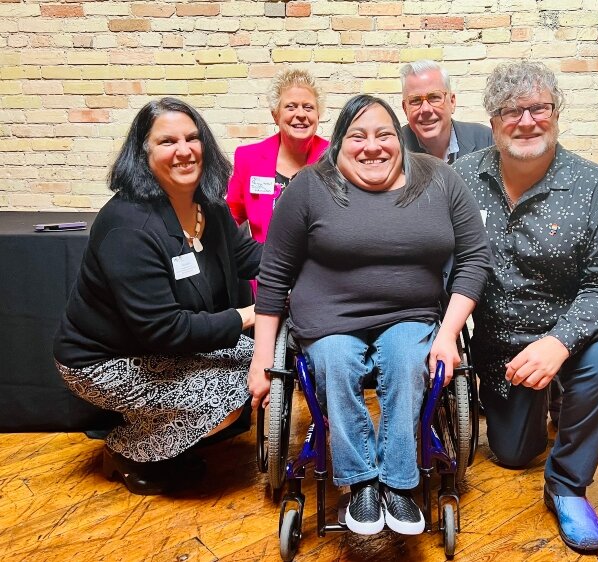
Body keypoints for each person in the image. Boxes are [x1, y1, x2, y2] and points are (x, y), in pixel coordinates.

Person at [248, 95, 491, 536]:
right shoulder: (308, 186)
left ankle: (398, 483)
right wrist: (261, 361)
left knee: (403, 361)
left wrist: (448, 334)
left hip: (412, 315)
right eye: (357, 136)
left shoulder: (439, 179)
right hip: (329, 320)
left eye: (383, 135)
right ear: (339, 143)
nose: (372, 147)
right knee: (337, 362)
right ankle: (360, 482)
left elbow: (475, 257)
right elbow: (274, 274)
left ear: (399, 139)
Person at [453, 61, 598, 553]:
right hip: (500, 343)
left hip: (576, 330)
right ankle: (543, 408)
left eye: (539, 108)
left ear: (556, 113)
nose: (527, 120)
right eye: (512, 110)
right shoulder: (460, 180)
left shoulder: (597, 187)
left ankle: (569, 485)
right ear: (492, 121)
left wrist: (557, 343)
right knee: (513, 455)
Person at [53, 97, 263, 496]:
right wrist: (251, 314)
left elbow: (250, 257)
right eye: (167, 142)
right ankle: (127, 449)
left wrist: (310, 264)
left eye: (192, 138)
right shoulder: (127, 227)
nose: (184, 150)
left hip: (158, 344)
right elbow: (163, 328)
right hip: (102, 361)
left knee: (262, 363)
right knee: (235, 390)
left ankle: (167, 435)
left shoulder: (209, 208)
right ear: (143, 154)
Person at [227, 68, 328, 245]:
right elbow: (232, 217)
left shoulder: (334, 158)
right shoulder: (249, 158)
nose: (301, 114)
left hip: (321, 269)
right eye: (291, 107)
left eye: (308, 107)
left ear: (318, 115)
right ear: (276, 115)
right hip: (264, 267)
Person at [400, 60, 494, 163]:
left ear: (452, 102)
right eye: (416, 100)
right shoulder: (395, 149)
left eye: (434, 97)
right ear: (405, 109)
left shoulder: (485, 139)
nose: (426, 109)